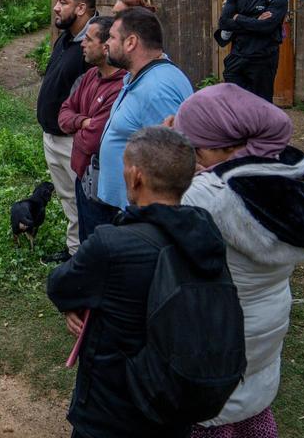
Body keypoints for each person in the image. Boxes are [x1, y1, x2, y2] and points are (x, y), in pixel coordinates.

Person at [173, 84, 304, 437]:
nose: (193, 156)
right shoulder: (288, 171)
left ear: (225, 145)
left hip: (218, 327)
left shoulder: (208, 196)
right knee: (251, 395)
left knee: (214, 411)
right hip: (268, 312)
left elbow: (152, 219)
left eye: (197, 147)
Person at [47, 126, 232, 438]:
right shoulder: (205, 236)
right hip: (174, 402)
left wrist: (72, 306)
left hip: (112, 410)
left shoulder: (111, 244)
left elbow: (60, 285)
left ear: (135, 177)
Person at [96, 7, 193, 220]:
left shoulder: (158, 89)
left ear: (130, 42)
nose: (106, 44)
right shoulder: (141, 77)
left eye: (112, 37)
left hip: (140, 214)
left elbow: (170, 162)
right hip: (124, 206)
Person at [36, 0, 96, 261]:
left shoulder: (93, 46)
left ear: (81, 8)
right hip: (53, 134)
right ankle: (75, 249)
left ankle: (86, 255)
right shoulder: (66, 38)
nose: (56, 7)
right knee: (67, 196)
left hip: (73, 138)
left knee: (82, 197)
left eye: (63, 2)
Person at [57, 16, 126, 242]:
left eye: (88, 39)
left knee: (99, 244)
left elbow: (91, 141)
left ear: (106, 47)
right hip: (82, 176)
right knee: (86, 238)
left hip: (101, 186)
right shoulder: (90, 76)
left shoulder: (120, 87)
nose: (83, 44)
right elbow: (64, 114)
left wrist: (79, 126)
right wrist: (82, 121)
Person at [214, 0, 289, 102]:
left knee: (260, 104)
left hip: (262, 59)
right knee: (233, 102)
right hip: (237, 57)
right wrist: (256, 21)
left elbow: (267, 27)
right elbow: (224, 23)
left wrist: (239, 17)